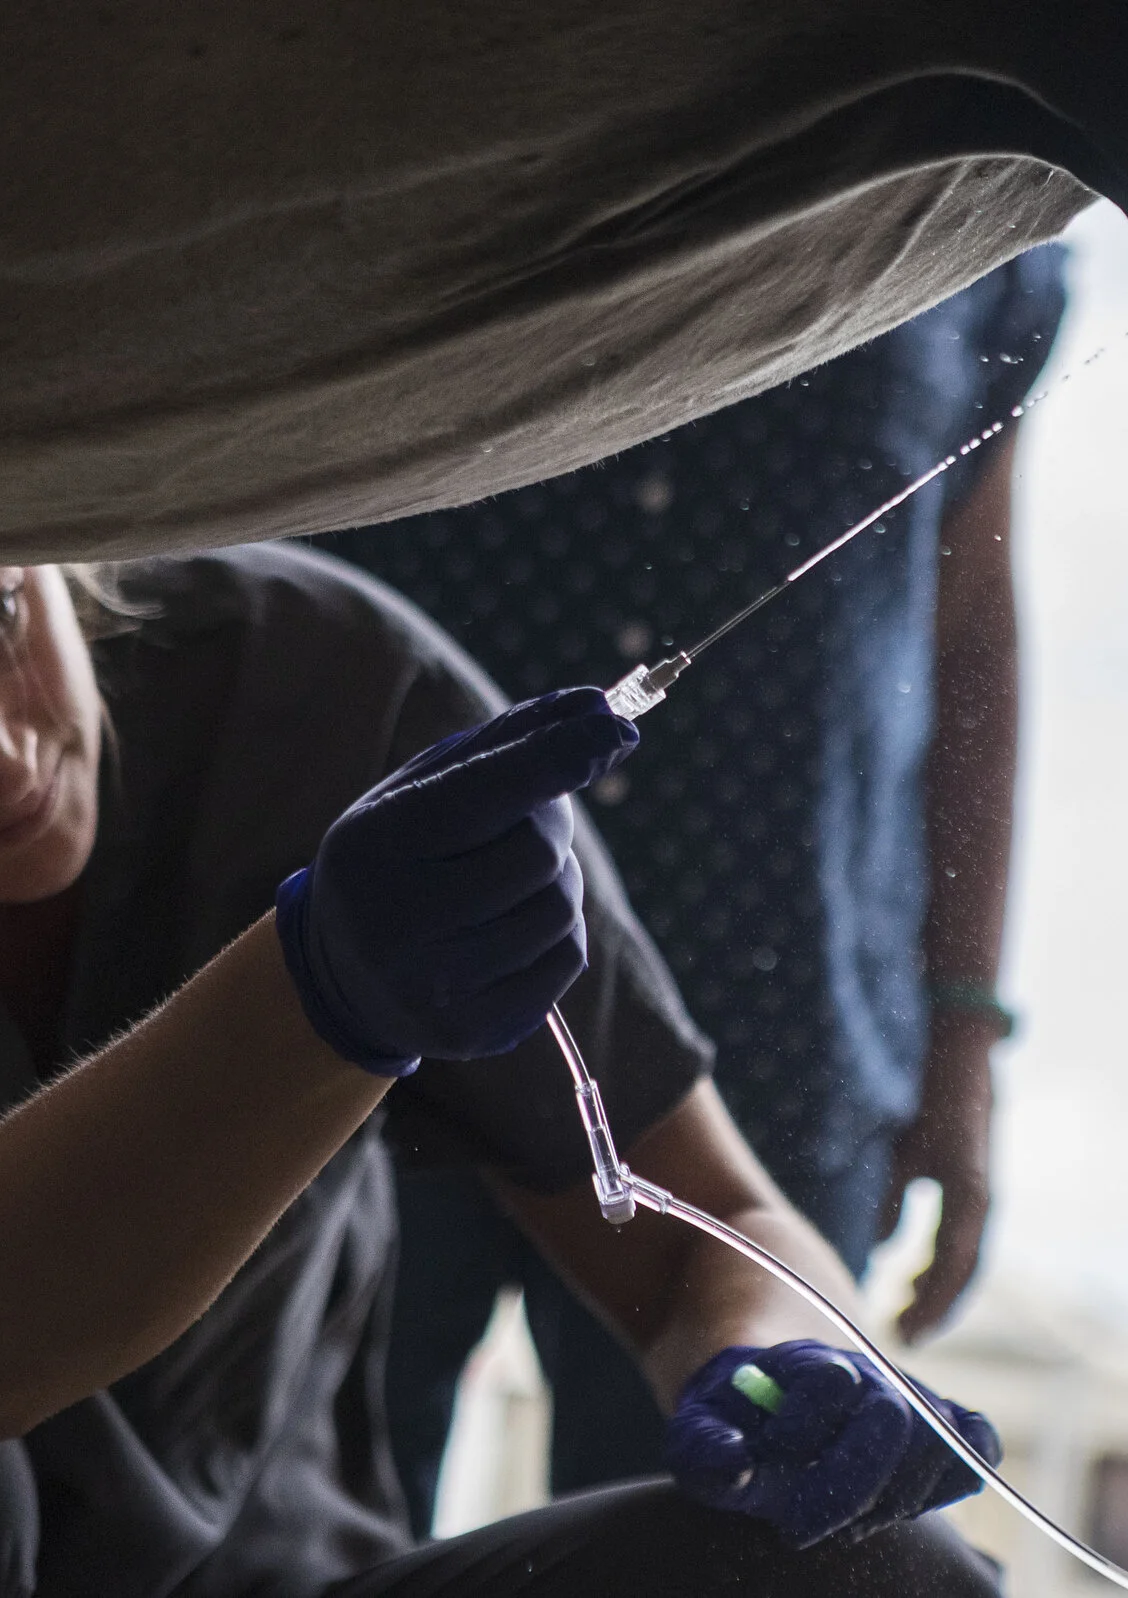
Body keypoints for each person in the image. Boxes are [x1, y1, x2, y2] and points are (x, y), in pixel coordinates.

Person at [0, 542, 1007, 1596]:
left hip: (269, 1577)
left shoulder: (316, 689)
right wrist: (320, 998)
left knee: (876, 1574)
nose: (1, 750)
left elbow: (710, 1233)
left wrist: (783, 1360)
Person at [324, 249, 1064, 1521]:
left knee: (740, 1531)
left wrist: (962, 1042)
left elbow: (969, 630)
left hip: (778, 1026)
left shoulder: (981, 222)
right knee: (287, 1517)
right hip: (352, 989)